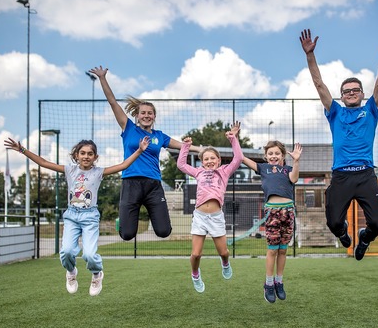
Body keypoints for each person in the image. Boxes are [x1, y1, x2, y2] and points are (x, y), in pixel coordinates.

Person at [299, 19, 378, 260]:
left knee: (377, 223)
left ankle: (364, 238)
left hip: (365, 174)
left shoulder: (371, 110)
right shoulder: (335, 112)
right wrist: (310, 56)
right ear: (342, 96)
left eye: (356, 89)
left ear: (363, 94)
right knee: (333, 222)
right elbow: (318, 83)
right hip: (342, 175)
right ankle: (344, 232)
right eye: (347, 91)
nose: (352, 92)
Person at [4, 136, 149, 296]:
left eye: (90, 153)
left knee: (89, 255)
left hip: (90, 217)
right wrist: (22, 150)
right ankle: (71, 272)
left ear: (95, 157)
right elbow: (44, 163)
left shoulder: (99, 172)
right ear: (76, 155)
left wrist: (140, 150)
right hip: (72, 216)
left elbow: (123, 165)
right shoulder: (70, 170)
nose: (86, 156)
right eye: (83, 153)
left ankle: (96, 274)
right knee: (66, 252)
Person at [89, 66, 199, 241]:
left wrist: (202, 149)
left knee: (164, 231)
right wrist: (102, 78)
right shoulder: (128, 128)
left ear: (154, 116)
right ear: (137, 116)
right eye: (143, 113)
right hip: (130, 183)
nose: (146, 115)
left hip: (153, 185)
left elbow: (182, 146)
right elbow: (112, 102)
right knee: (127, 234)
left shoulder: (159, 136)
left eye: (150, 113)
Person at [176, 121, 243, 293]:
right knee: (196, 254)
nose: (210, 161)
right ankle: (195, 273)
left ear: (219, 160)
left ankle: (225, 263)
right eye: (206, 159)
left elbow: (238, 159)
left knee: (224, 252)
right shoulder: (198, 172)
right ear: (202, 162)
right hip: (199, 216)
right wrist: (185, 146)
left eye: (213, 158)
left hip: (216, 218)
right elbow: (181, 165)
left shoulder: (224, 172)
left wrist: (233, 139)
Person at [243, 141, 302, 303]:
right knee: (272, 250)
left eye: (277, 153)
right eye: (270, 154)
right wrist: (234, 139)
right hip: (272, 212)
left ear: (283, 156)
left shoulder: (288, 170)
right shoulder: (263, 168)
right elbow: (241, 157)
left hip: (288, 211)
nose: (273, 156)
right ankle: (268, 284)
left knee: (283, 250)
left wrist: (296, 161)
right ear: (266, 156)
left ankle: (279, 281)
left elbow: (294, 179)